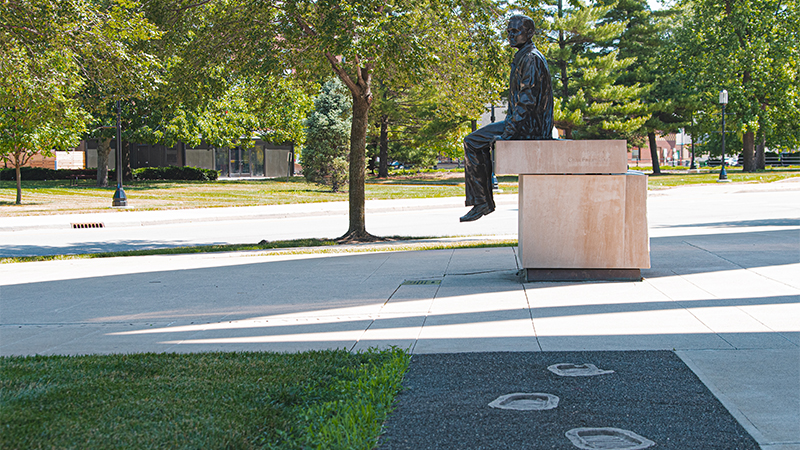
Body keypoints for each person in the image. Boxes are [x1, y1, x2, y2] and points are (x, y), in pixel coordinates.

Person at [460, 14, 554, 222]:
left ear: (530, 33)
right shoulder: (525, 55)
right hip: (526, 123)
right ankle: (482, 201)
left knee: (472, 141)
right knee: (475, 141)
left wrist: (509, 132)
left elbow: (527, 100)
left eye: (515, 31)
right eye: (509, 32)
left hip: (530, 127)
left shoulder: (530, 58)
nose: (510, 35)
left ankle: (482, 202)